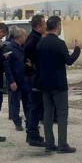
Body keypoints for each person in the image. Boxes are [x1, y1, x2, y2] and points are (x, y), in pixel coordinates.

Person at [36, 16, 81, 153]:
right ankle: (62, 144)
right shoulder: (59, 43)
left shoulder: (41, 43)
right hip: (58, 84)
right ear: (57, 26)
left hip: (44, 83)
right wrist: (77, 49)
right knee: (62, 113)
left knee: (47, 114)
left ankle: (49, 143)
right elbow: (69, 60)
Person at [23, 14, 47, 147]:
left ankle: (34, 133)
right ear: (38, 26)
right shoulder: (33, 40)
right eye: (44, 24)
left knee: (36, 107)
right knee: (34, 107)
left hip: (34, 77)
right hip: (33, 78)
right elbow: (29, 58)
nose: (45, 26)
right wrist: (33, 67)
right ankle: (32, 135)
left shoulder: (37, 37)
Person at [3, 27, 28, 131]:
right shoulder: (9, 49)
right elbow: (7, 66)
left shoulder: (23, 47)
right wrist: (11, 81)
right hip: (15, 81)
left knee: (27, 103)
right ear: (19, 37)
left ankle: (29, 122)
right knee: (15, 103)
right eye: (25, 36)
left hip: (25, 80)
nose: (26, 38)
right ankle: (17, 123)